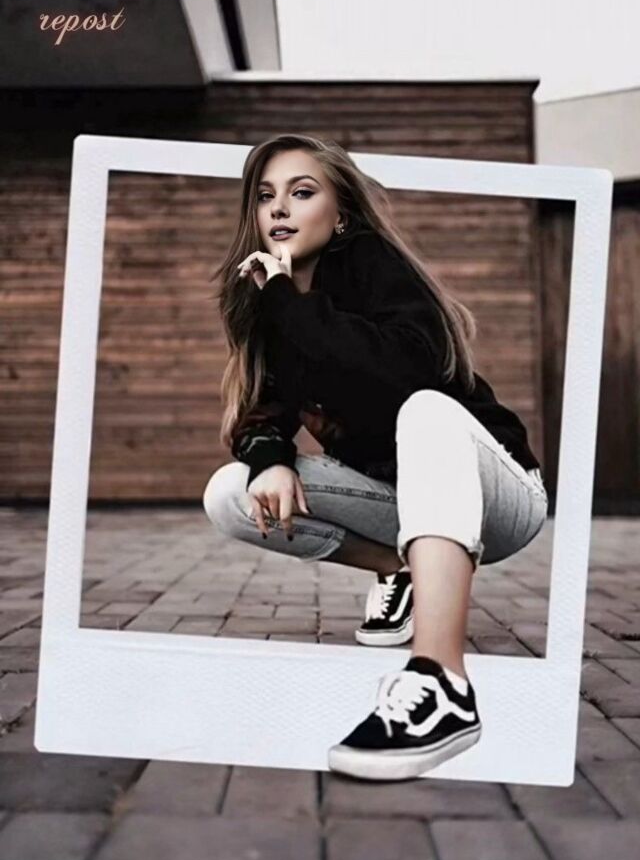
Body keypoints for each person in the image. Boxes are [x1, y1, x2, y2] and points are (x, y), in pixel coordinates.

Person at [202, 133, 548, 781]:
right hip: (404, 504)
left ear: (340, 214)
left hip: (497, 494)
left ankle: (441, 683)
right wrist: (271, 457)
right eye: (266, 196)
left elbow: (401, 374)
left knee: (424, 410)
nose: (280, 208)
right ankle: (405, 568)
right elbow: (259, 409)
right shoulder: (271, 303)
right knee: (229, 493)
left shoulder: (369, 264)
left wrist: (287, 300)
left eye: (302, 192)